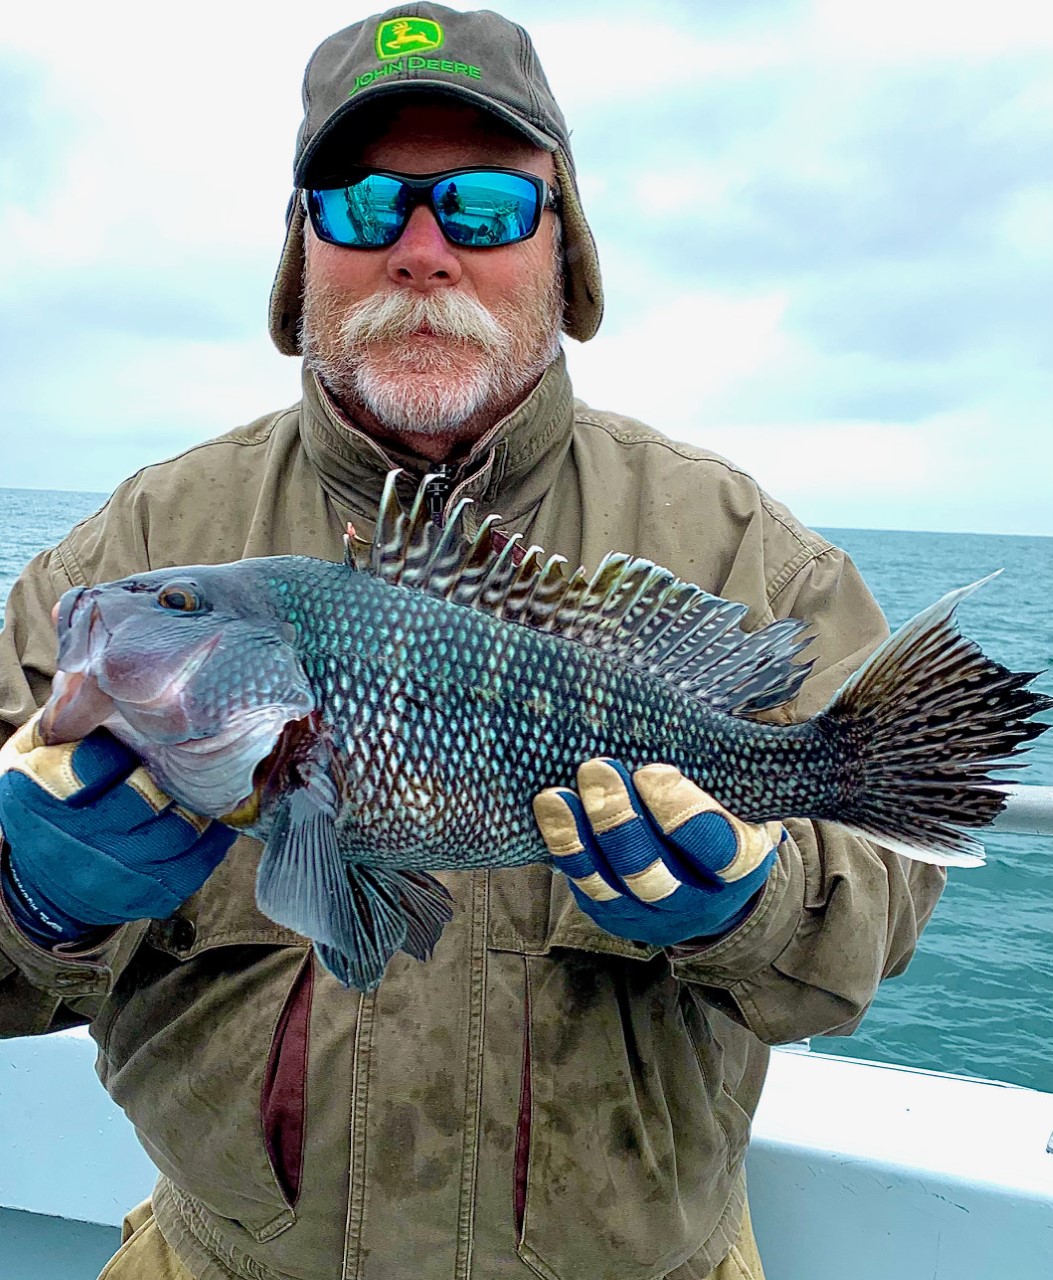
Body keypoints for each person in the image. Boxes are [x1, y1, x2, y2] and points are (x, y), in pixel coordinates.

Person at [0, 5, 945, 1279]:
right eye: (363, 204)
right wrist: (29, 898)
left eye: (487, 206)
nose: (423, 251)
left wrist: (755, 898)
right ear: (302, 252)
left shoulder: (732, 542)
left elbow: (876, 914)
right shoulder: (139, 541)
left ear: (563, 248)